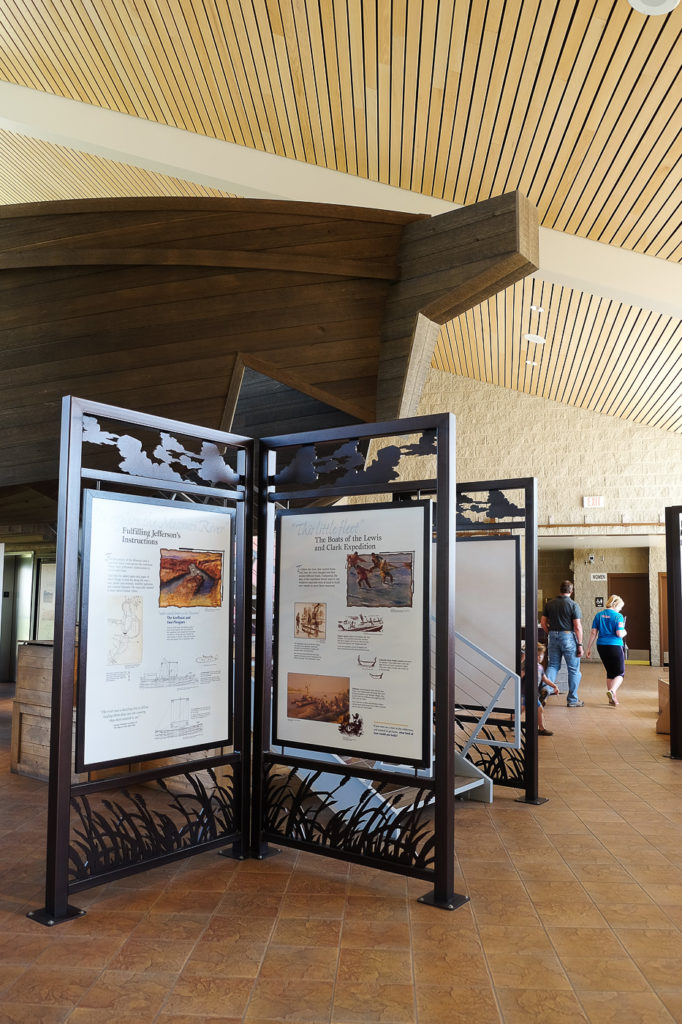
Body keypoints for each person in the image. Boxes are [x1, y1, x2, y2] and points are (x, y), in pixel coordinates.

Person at [540, 580, 584, 707]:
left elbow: (543, 623)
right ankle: (572, 700)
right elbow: (577, 627)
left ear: (560, 590)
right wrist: (580, 644)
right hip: (568, 636)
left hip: (553, 636)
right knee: (573, 669)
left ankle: (546, 690)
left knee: (553, 665)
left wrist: (551, 633)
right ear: (571, 591)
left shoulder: (550, 604)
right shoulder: (573, 605)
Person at [586, 595, 627, 705]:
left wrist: (588, 648)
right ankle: (612, 691)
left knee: (610, 672)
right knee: (620, 673)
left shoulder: (598, 615)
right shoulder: (618, 616)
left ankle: (611, 699)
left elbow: (593, 632)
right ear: (616, 605)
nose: (620, 609)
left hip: (601, 646)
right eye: (620, 607)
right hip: (615, 646)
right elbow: (619, 633)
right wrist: (625, 632)